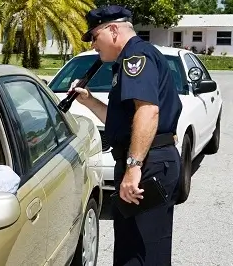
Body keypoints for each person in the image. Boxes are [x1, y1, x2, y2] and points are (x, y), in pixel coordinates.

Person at [70, 5, 183, 266]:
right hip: (147, 161)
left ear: (113, 30)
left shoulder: (136, 58)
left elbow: (148, 112)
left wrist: (134, 168)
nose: (94, 46)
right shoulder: (127, 61)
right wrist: (88, 101)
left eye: (95, 37)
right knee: (132, 247)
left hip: (148, 164)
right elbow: (124, 122)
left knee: (141, 254)